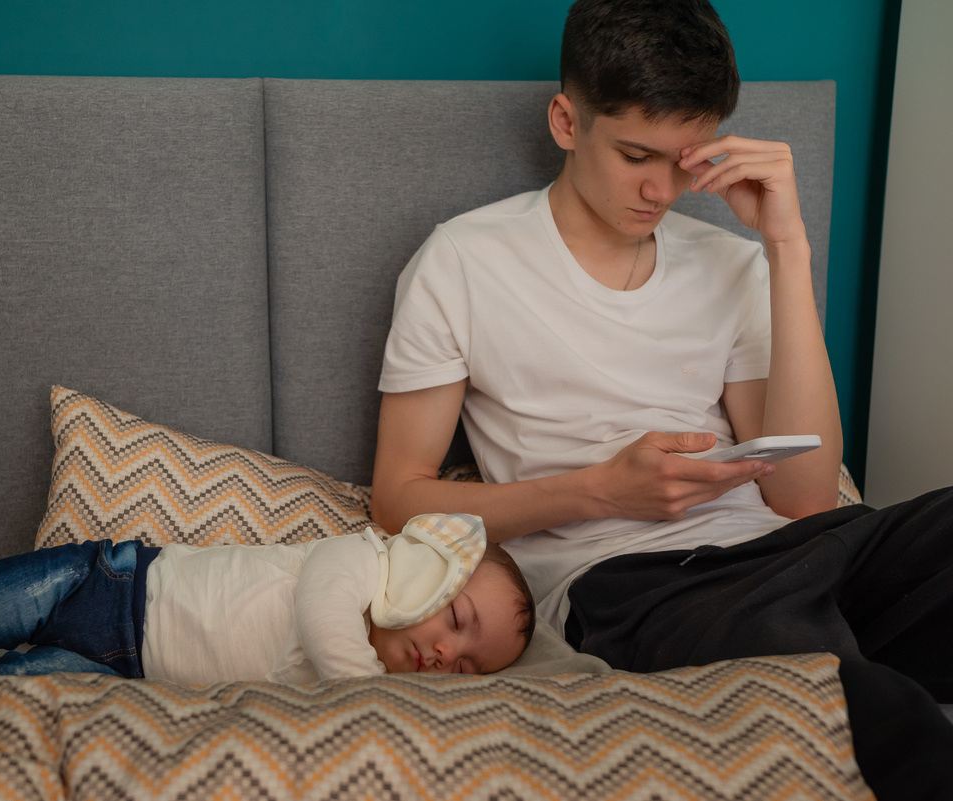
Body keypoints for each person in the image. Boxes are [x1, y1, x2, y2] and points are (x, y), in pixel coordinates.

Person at [370, 0, 953, 797]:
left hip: (796, 551)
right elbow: (397, 499)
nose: (660, 189)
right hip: (634, 584)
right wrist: (601, 490)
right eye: (634, 154)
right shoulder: (462, 263)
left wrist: (786, 247)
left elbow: (806, 498)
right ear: (566, 121)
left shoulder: (733, 261)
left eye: (683, 160)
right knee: (846, 704)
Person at [0, 513, 535, 690]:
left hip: (122, 675)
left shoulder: (344, 687)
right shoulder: (360, 561)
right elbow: (323, 616)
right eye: (458, 620)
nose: (447, 654)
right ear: (429, 570)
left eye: (468, 668)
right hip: (113, 585)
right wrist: (374, 698)